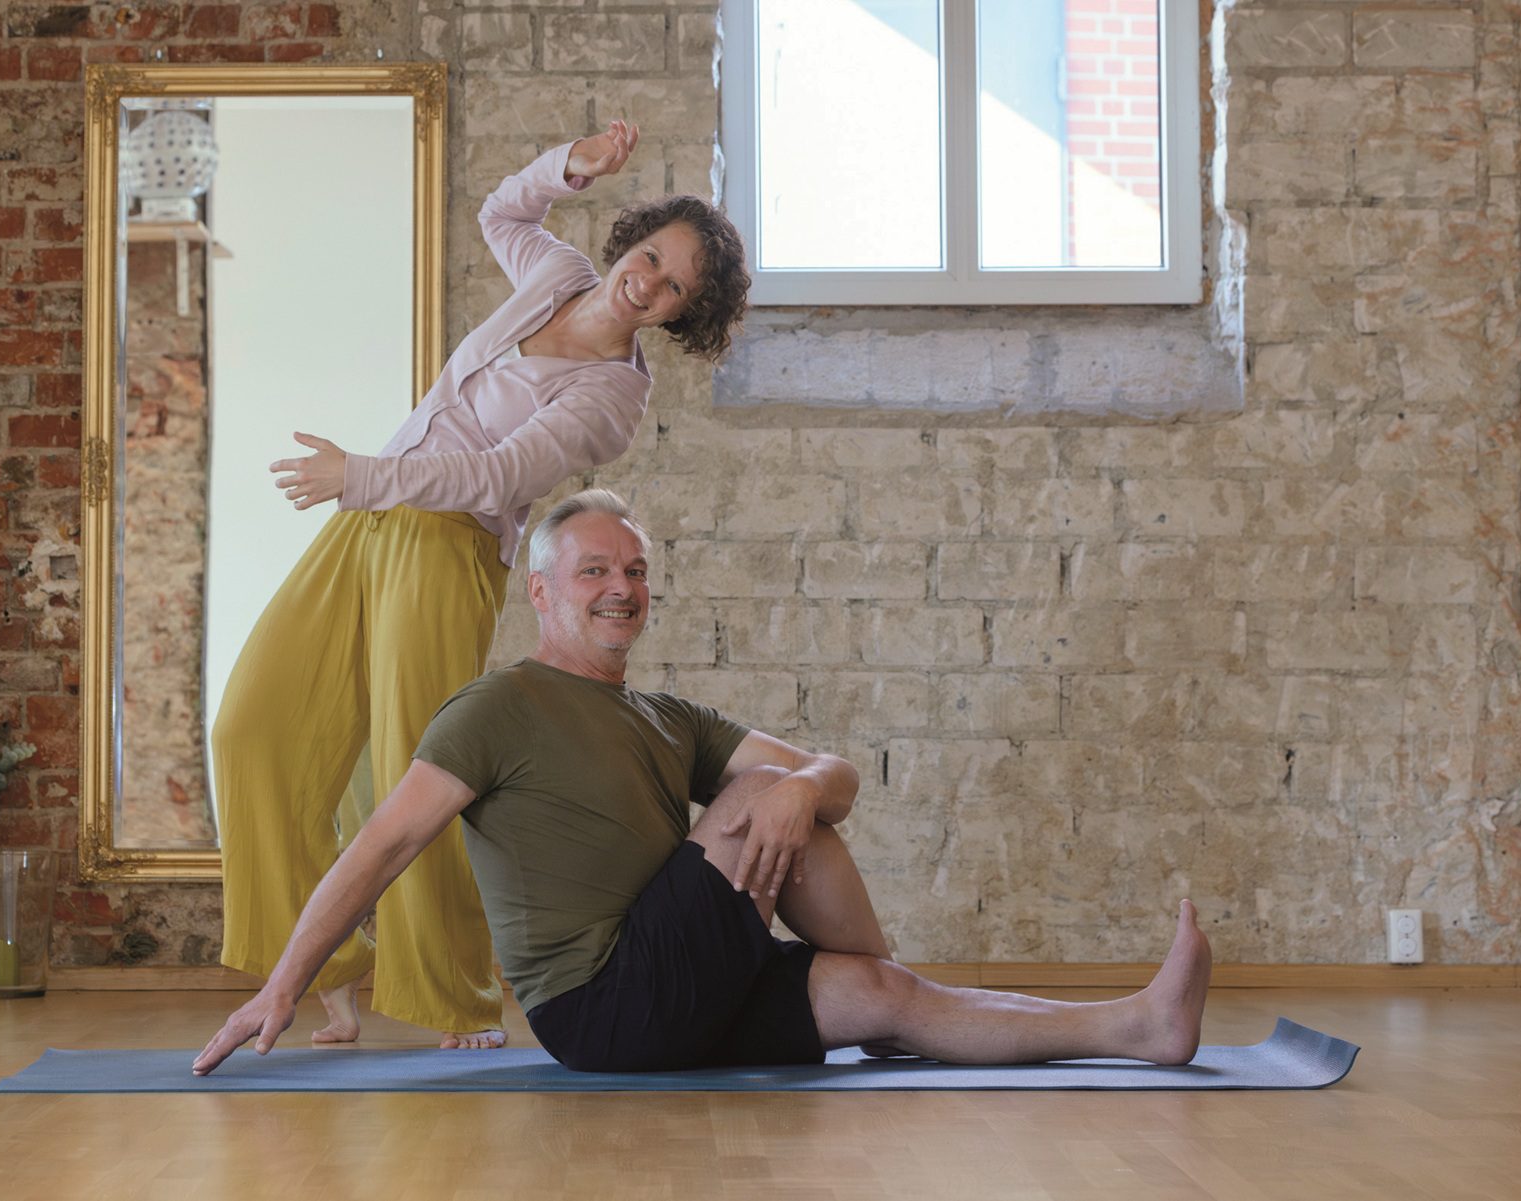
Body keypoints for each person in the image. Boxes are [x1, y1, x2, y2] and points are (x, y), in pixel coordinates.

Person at [194, 490, 1213, 1076]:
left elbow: (835, 774)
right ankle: (865, 964)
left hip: (688, 971)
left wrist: (802, 787)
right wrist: (284, 986)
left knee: (877, 984)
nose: (622, 588)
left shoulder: (666, 716)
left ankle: (1134, 1025)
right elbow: (382, 846)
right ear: (542, 591)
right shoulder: (495, 708)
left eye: (635, 571)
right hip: (601, 1004)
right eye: (595, 571)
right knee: (762, 792)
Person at [212, 123, 752, 1050]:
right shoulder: (558, 274)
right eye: (653, 256)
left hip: (444, 544)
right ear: (633, 240)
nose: (650, 282)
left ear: (678, 315)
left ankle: (454, 998)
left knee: (416, 770)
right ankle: (331, 966)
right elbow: (503, 211)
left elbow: (495, 476)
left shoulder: (613, 400)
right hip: (370, 522)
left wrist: (360, 474)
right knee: (252, 727)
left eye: (674, 288)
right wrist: (570, 166)